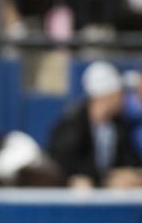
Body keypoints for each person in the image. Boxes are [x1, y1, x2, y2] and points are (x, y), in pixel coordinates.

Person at [48, 61, 142, 189]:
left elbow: (130, 161)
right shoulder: (71, 126)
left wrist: (130, 175)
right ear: (106, 96)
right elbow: (60, 167)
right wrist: (72, 180)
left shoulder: (119, 126)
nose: (124, 97)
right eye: (120, 92)